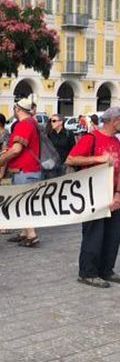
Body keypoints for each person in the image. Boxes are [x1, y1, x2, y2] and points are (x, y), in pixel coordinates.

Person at [66, 106, 120, 288]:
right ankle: (88, 272)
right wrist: (98, 159)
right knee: (94, 235)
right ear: (115, 120)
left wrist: (118, 195)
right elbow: (71, 159)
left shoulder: (116, 142)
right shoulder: (92, 138)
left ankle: (106, 270)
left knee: (113, 236)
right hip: (93, 195)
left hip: (113, 195)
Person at [0, 98, 42, 248]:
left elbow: (17, 149)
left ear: (18, 109)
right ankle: (25, 233)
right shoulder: (33, 123)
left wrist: (3, 159)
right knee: (27, 202)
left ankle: (31, 234)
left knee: (23, 203)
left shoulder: (24, 124)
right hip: (31, 169)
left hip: (25, 170)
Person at [44, 114, 74, 179]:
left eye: (54, 121)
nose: (52, 123)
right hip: (52, 166)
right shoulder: (49, 134)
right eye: (51, 121)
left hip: (64, 165)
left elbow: (73, 149)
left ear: (61, 122)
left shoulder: (69, 134)